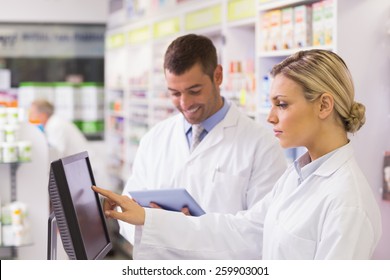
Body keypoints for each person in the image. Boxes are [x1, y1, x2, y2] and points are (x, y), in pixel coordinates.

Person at [94, 49, 382, 259]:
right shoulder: (297, 177)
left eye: (282, 104)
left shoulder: (347, 203)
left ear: (323, 106)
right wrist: (148, 219)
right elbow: (241, 229)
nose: (270, 117)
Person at [117, 34, 287, 254]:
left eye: (194, 91)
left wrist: (177, 227)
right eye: (175, 93)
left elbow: (262, 231)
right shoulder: (155, 138)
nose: (185, 103)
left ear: (217, 76)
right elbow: (126, 212)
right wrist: (150, 221)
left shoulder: (261, 145)